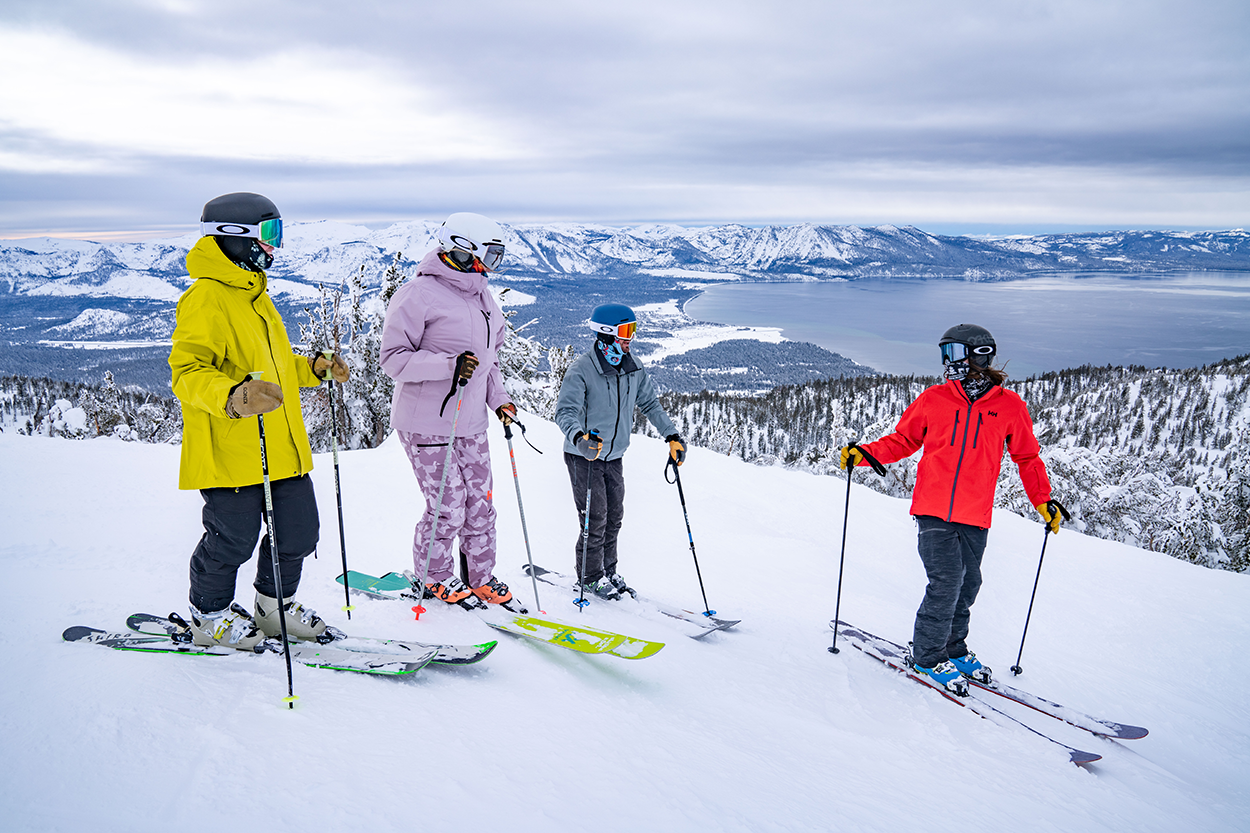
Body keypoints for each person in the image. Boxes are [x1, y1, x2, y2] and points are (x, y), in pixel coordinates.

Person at [170, 192, 350, 649]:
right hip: (232, 445)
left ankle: (274, 609)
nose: (275, 244)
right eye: (269, 233)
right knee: (233, 540)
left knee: (299, 530)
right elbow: (186, 372)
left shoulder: (254, 293)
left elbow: (272, 368)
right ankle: (209, 618)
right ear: (235, 235)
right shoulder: (206, 296)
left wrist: (312, 367)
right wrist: (232, 396)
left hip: (280, 444)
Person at [840, 323, 1061, 693]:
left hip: (975, 514)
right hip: (933, 508)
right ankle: (927, 655)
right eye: (944, 354)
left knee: (968, 585)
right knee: (946, 583)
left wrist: (1042, 500)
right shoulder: (934, 399)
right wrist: (865, 455)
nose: (947, 362)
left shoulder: (1009, 407)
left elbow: (1027, 457)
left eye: (953, 353)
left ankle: (953, 649)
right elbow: (903, 439)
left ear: (979, 355)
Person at [379, 212, 519, 609]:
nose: (492, 265)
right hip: (426, 423)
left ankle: (481, 577)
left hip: (471, 422)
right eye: (490, 255)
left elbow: (488, 361)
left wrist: (500, 400)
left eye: (498, 257)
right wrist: (447, 365)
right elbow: (393, 359)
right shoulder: (417, 295)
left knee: (480, 503)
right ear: (464, 247)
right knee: (448, 505)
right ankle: (433, 576)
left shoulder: (483, 297)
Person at [554, 303, 687, 600]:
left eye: (633, 330)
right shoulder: (582, 370)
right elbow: (565, 412)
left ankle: (608, 570)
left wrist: (672, 435)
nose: (631, 338)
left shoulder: (632, 367)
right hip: (584, 455)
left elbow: (650, 404)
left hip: (614, 455)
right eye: (626, 331)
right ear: (606, 334)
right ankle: (589, 576)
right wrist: (580, 438)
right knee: (595, 517)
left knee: (614, 516)